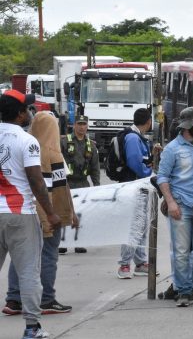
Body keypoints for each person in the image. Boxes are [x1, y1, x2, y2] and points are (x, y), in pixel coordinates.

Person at [5, 111, 78, 316]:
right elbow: (61, 189)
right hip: (48, 212)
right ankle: (46, 299)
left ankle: (14, 299)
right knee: (48, 255)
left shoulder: (25, 147)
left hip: (23, 210)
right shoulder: (54, 154)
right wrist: (67, 214)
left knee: (20, 256)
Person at [0, 90, 60, 339]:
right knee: (28, 272)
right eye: (27, 108)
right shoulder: (27, 141)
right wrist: (51, 213)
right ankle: (32, 328)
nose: (29, 113)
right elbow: (36, 181)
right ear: (20, 113)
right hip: (20, 213)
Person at [157, 107, 193, 307]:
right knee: (181, 251)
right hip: (181, 204)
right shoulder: (172, 148)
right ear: (188, 125)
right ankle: (183, 290)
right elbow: (162, 177)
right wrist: (171, 202)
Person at [116, 108, 158, 279]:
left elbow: (141, 160)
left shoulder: (137, 137)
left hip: (139, 187)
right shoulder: (133, 138)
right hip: (133, 187)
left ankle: (140, 263)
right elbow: (135, 163)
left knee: (141, 225)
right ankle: (124, 264)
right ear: (148, 121)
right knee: (132, 225)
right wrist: (148, 174)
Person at [59, 115, 99, 254]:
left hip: (83, 183)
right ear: (74, 125)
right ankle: (63, 243)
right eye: (79, 124)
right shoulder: (64, 142)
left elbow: (95, 167)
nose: (82, 126)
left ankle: (79, 243)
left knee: (82, 214)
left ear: (87, 126)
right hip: (67, 183)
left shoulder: (91, 145)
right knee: (65, 213)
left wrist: (97, 186)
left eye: (84, 124)